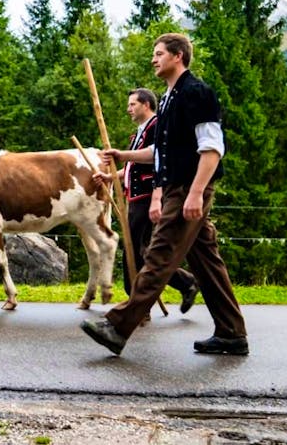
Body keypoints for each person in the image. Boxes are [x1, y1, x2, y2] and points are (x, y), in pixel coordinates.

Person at [81, 33, 248, 356]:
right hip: (178, 185)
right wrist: (124, 156)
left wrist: (196, 193)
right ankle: (231, 333)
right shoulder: (170, 96)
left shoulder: (196, 92)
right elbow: (163, 150)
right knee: (207, 262)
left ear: (178, 56)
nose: (153, 59)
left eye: (159, 54)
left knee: (158, 254)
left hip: (187, 187)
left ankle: (117, 327)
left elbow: (212, 148)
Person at [93, 88, 199, 313]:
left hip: (150, 196)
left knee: (137, 250)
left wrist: (122, 155)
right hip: (136, 197)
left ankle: (137, 303)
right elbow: (132, 167)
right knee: (140, 250)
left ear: (146, 105)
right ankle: (174, 287)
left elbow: (156, 155)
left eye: (132, 104)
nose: (128, 109)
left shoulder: (157, 126)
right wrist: (111, 177)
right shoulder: (139, 133)